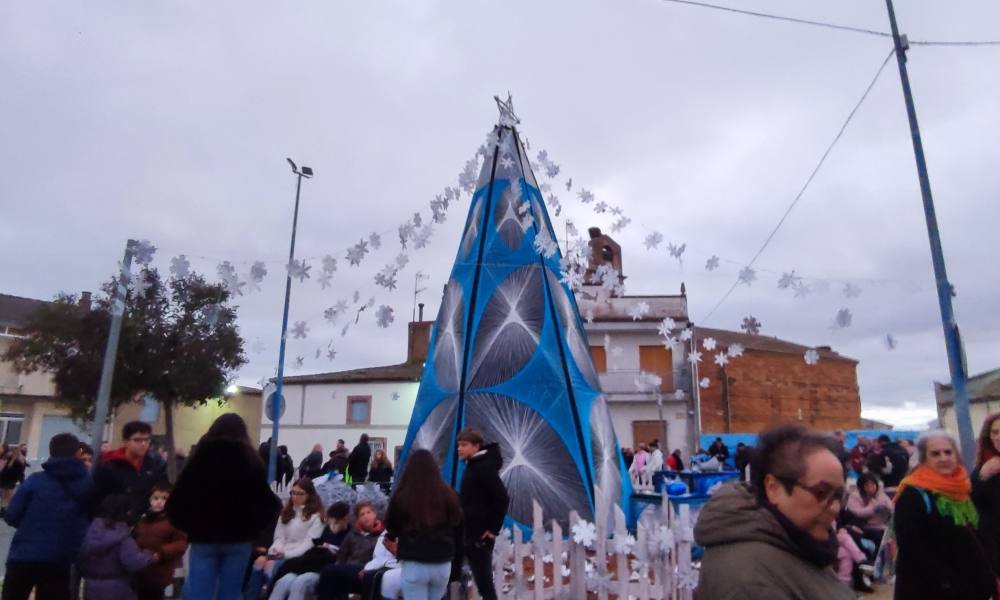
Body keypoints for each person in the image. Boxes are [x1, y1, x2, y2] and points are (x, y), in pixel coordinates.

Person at [694, 425, 853, 599]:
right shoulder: (750, 579)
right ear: (773, 488)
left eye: (839, 495)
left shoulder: (795, 542)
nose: (834, 507)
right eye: (821, 493)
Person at [166, 414, 281, 600]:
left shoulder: (201, 456)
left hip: (204, 537)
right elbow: (268, 504)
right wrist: (254, 529)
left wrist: (188, 526)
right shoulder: (251, 459)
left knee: (199, 591)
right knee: (231, 592)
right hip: (239, 538)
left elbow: (179, 498)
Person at [893, 430, 995, 599]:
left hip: (968, 586)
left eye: (948, 452)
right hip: (932, 590)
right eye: (935, 454)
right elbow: (912, 549)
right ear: (924, 459)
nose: (943, 458)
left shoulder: (962, 489)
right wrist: (948, 584)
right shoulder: (913, 493)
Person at [2, 433, 92, 600]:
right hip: (59, 559)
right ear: (78, 454)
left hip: (23, 555)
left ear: (51, 453)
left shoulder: (35, 481)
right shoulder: (87, 484)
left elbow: (12, 515)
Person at [385, 449, 463, 600]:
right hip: (442, 562)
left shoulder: (402, 496)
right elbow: (457, 525)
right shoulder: (449, 495)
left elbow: (391, 525)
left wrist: (393, 536)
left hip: (414, 562)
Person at [245, 477, 326, 599]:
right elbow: (279, 537)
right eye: (293, 493)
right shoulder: (286, 513)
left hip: (300, 557)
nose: (295, 497)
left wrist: (284, 555)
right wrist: (274, 550)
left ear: (309, 495)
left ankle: (267, 592)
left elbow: (308, 544)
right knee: (259, 561)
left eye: (300, 494)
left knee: (272, 565)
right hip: (281, 552)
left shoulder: (316, 517)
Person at [455, 430, 509, 600]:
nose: (459, 448)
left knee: (484, 584)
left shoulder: (483, 468)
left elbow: (502, 497)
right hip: (468, 532)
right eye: (458, 445)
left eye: (464, 445)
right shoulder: (473, 466)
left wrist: (493, 528)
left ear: (476, 446)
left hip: (479, 536)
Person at [77, 494, 156, 600]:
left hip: (91, 588)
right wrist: (148, 556)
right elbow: (132, 563)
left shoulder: (91, 531)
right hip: (118, 590)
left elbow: (80, 559)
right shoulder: (122, 536)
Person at [268, 502, 352, 599]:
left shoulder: (349, 534)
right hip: (309, 565)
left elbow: (345, 557)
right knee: (284, 581)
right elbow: (312, 545)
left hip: (323, 572)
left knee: (301, 582)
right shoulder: (325, 530)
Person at [93, 421, 167, 519]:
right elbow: (96, 498)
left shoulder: (156, 464)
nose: (144, 444)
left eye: (147, 440)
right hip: (114, 523)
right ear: (125, 442)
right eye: (137, 440)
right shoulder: (109, 465)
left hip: (145, 522)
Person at [316, 501, 385, 599]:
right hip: (348, 568)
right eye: (362, 514)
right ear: (358, 519)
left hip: (365, 570)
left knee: (328, 571)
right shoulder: (353, 534)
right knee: (329, 577)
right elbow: (342, 554)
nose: (366, 516)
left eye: (368, 512)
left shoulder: (382, 535)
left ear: (375, 514)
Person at [132, 482, 188, 600]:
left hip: (160, 572)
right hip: (141, 571)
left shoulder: (173, 521)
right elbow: (136, 538)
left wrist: (162, 553)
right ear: (150, 500)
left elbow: (181, 544)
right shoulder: (142, 520)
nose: (159, 502)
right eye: (156, 498)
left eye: (164, 498)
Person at [972, 412, 1000, 574]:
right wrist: (982, 477)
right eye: (994, 432)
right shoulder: (985, 467)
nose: (998, 437)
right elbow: (972, 507)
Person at [844, 472, 892, 552]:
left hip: (882, 526)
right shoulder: (855, 496)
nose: (870, 488)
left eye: (872, 485)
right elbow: (857, 512)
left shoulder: (880, 494)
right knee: (880, 541)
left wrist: (886, 508)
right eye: (867, 485)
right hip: (867, 528)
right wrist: (873, 508)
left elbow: (890, 507)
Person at [0, 445, 27, 515]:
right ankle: (5, 511)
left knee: (7, 497)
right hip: (7, 479)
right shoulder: (10, 457)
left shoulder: (20, 459)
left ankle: (4, 510)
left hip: (10, 479)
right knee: (8, 497)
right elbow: (8, 467)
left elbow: (21, 471)